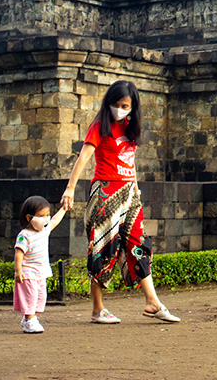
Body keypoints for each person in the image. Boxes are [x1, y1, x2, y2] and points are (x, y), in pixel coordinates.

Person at [60, 80, 181, 324]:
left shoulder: (130, 127)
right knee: (102, 248)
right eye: (116, 104)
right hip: (105, 193)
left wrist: (135, 189)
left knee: (138, 244)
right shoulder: (99, 126)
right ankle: (97, 309)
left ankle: (152, 302)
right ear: (109, 103)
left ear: (133, 106)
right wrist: (70, 189)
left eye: (125, 105)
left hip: (129, 194)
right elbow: (84, 158)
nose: (120, 109)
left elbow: (130, 161)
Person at [13, 195, 66, 334]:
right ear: (29, 217)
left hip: (41, 272)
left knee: (40, 296)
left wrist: (64, 209)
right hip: (28, 272)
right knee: (30, 296)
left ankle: (28, 318)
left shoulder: (44, 231)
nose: (46, 219)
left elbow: (55, 220)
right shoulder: (24, 235)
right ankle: (30, 320)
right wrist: (18, 271)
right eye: (41, 215)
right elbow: (19, 253)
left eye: (47, 215)